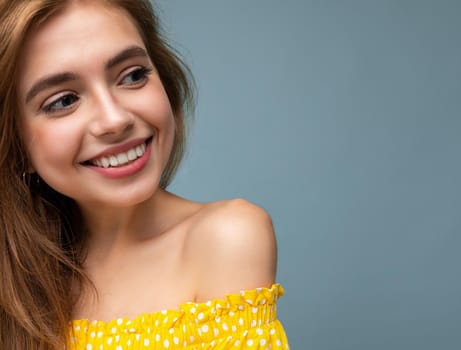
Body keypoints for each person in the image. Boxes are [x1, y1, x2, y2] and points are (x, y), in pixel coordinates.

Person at [0, 0, 289, 348]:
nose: (115, 119)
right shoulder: (15, 278)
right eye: (63, 101)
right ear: (15, 144)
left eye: (133, 75)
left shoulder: (226, 238)